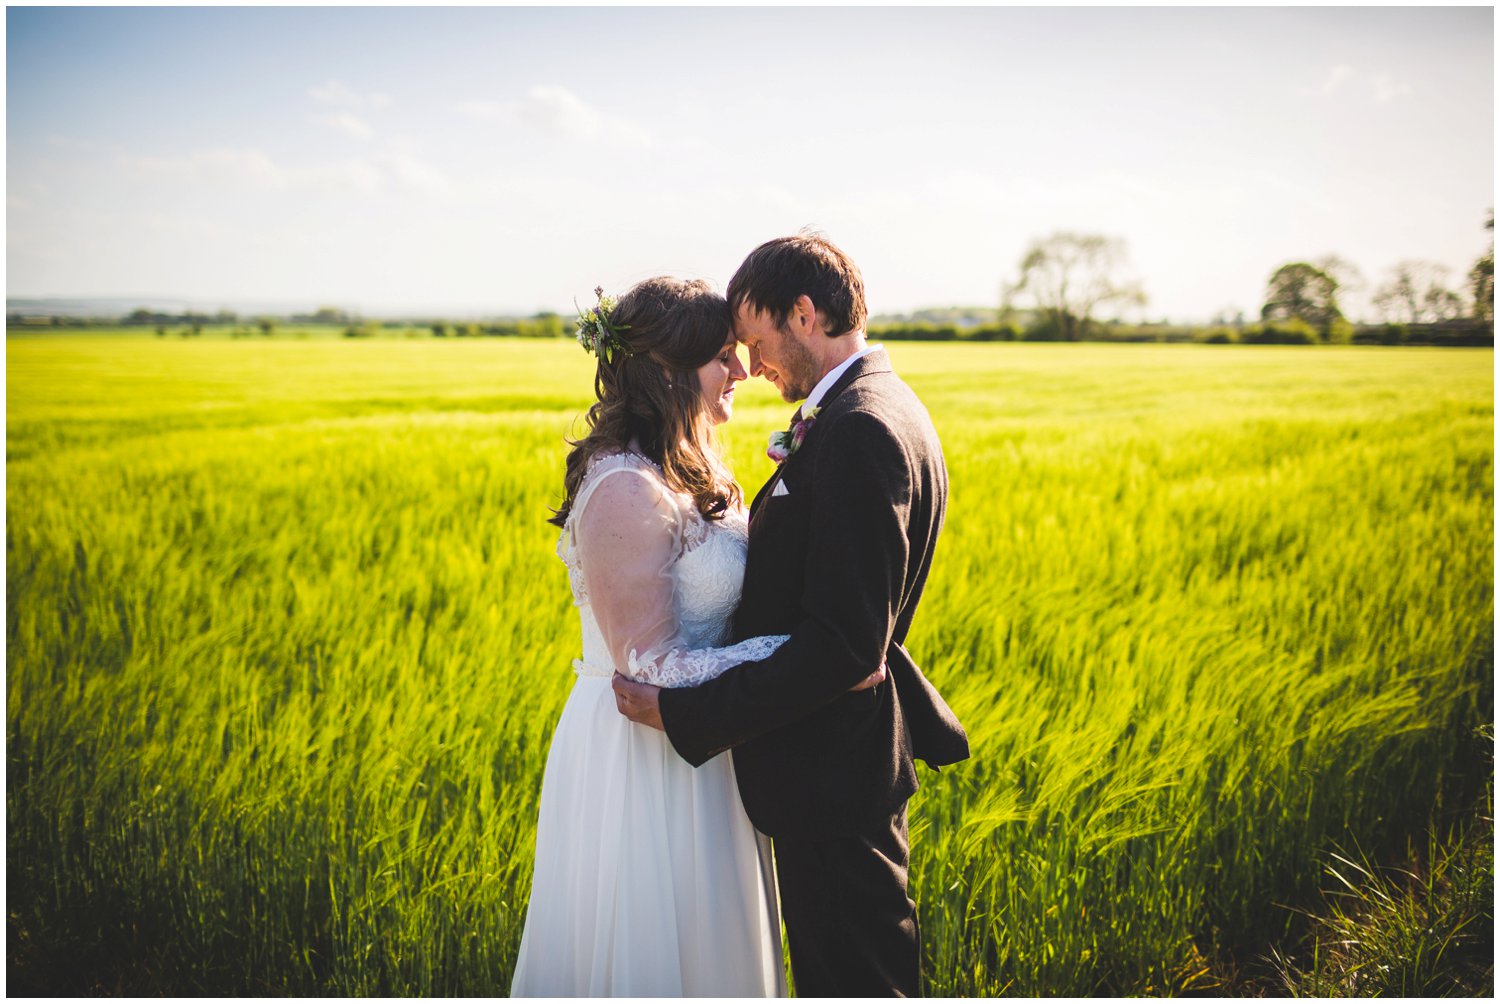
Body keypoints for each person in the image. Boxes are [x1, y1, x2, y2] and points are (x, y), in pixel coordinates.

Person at [613, 234, 970, 997]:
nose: (750, 363)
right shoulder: (869, 405)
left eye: (757, 340)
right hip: (833, 766)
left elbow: (844, 647)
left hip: (833, 770)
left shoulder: (860, 427)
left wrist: (687, 712)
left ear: (803, 314)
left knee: (857, 978)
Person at [510, 276, 882, 997]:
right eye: (722, 355)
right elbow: (648, 667)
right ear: (669, 370)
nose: (743, 370)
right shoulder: (623, 487)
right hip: (644, 756)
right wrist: (813, 657)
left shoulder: (693, 467)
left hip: (711, 745)